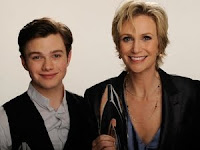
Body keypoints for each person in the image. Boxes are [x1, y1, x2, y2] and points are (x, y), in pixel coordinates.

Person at [84, 0, 200, 150]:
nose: (136, 48)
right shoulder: (95, 97)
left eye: (146, 37)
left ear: (160, 44)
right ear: (119, 46)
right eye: (127, 38)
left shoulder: (191, 93)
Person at [0, 17, 91, 150]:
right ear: (24, 62)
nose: (47, 66)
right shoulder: (4, 119)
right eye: (37, 57)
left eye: (56, 56)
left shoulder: (89, 109)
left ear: (68, 57)